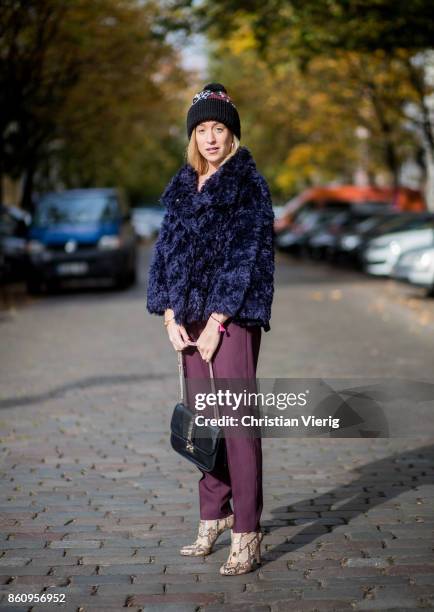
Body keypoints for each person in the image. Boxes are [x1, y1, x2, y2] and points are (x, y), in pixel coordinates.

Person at [146, 82, 275, 576]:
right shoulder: (182, 185)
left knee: (238, 425)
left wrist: (218, 320)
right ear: (192, 136)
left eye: (219, 128)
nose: (211, 138)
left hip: (233, 316)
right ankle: (212, 515)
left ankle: (248, 531)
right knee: (203, 422)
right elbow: (164, 256)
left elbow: (245, 258)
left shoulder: (248, 184)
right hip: (188, 318)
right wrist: (170, 316)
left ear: (233, 134)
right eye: (202, 129)